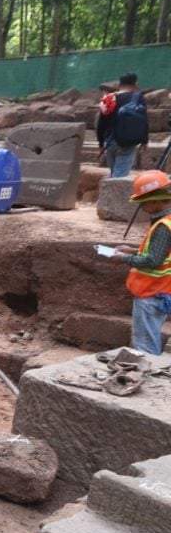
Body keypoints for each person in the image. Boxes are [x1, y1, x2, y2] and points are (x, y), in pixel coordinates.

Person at [108, 170, 171, 355]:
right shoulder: (167, 221)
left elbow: (153, 260)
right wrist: (133, 250)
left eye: (144, 202)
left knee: (145, 346)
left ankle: (147, 377)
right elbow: (161, 252)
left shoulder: (163, 227)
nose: (142, 206)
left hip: (151, 292)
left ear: (156, 200)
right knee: (149, 337)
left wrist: (124, 259)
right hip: (161, 291)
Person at [97, 72, 149, 178]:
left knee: (115, 175)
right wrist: (145, 140)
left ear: (119, 83)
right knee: (119, 177)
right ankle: (112, 194)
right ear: (136, 83)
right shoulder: (138, 98)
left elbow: (101, 122)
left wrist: (101, 143)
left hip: (110, 141)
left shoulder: (109, 99)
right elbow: (144, 120)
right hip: (128, 142)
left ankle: (110, 193)